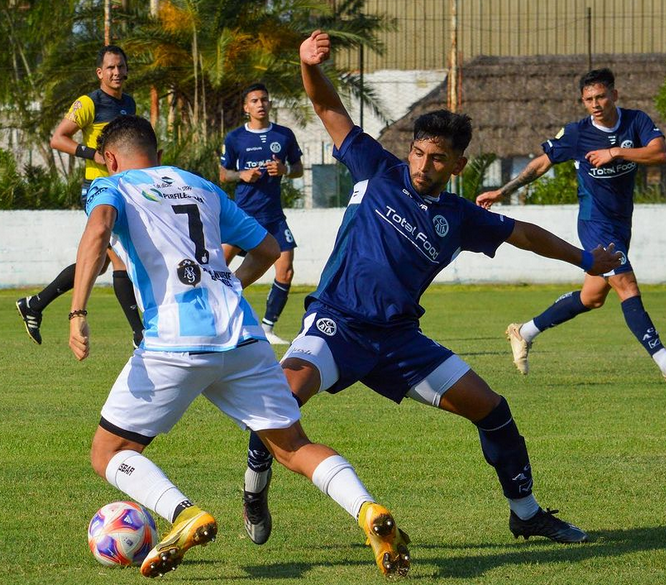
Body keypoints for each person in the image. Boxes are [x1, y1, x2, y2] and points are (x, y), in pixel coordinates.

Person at [240, 30, 624, 549]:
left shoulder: (460, 217)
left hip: (399, 340)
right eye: (419, 153)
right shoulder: (378, 169)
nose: (423, 165)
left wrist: (583, 258)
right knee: (278, 403)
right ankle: (255, 484)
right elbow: (327, 106)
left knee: (493, 408)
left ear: (458, 165)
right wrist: (309, 65)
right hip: (339, 324)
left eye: (437, 159)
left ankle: (527, 514)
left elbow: (523, 234)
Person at [68, 115, 410, 578]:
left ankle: (184, 513)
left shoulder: (115, 185)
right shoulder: (202, 186)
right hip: (243, 338)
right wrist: (230, 284)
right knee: (292, 446)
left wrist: (78, 311)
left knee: (107, 452)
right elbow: (268, 249)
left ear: (109, 158)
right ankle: (368, 510)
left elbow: (99, 228)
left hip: (176, 341)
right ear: (159, 153)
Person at [477, 68, 666, 384]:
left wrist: (616, 151)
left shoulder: (636, 122)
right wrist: (502, 191)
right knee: (627, 287)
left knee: (592, 297)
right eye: (588, 99)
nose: (595, 104)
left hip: (621, 223)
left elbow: (660, 153)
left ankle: (524, 331)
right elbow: (542, 162)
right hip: (596, 224)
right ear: (583, 101)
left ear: (614, 96)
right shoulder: (578, 133)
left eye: (601, 97)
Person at [16, 45, 144, 348]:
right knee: (119, 260)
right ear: (100, 73)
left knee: (99, 264)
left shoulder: (129, 103)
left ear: (127, 70)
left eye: (121, 67)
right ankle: (141, 334)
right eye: (110, 68)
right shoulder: (89, 102)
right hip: (99, 190)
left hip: (124, 188)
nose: (116, 72)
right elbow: (58, 139)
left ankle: (34, 304)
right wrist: (93, 154)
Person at [219, 83, 304, 345]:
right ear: (246, 107)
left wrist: (285, 171)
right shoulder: (235, 138)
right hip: (243, 215)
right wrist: (241, 174)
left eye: (264, 100)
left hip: (274, 215)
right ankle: (215, 316)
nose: (260, 104)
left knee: (286, 270)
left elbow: (298, 168)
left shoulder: (284, 135)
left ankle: (267, 327)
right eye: (254, 100)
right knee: (217, 267)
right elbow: (224, 175)